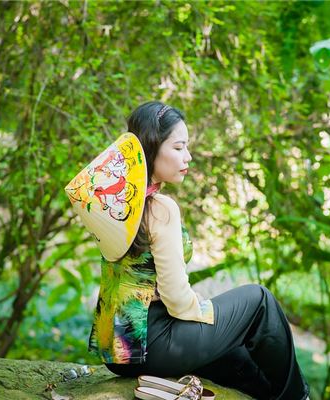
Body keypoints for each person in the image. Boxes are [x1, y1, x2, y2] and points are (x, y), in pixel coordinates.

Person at [84, 101, 309, 399]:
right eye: (178, 147)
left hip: (119, 347)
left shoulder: (116, 206)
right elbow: (177, 300)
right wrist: (207, 308)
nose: (187, 156)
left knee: (239, 359)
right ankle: (300, 396)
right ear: (151, 148)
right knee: (260, 301)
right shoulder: (161, 208)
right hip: (155, 342)